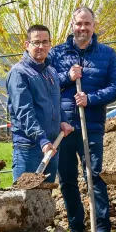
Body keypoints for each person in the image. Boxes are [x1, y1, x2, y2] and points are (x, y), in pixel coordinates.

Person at [47, 6, 116, 232]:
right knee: (68, 179)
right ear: (72, 25)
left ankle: (102, 229)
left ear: (93, 26)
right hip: (64, 127)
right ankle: (77, 229)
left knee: (94, 176)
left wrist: (91, 98)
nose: (83, 28)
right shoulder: (57, 54)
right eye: (79, 24)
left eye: (87, 24)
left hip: (91, 125)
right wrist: (67, 78)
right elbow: (46, 84)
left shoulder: (107, 54)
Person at [7, 25, 73, 181]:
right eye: (36, 42)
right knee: (25, 200)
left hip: (51, 146)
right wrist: (41, 139)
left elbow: (56, 102)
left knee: (44, 201)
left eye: (45, 42)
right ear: (27, 44)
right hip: (29, 148)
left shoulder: (51, 72)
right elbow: (24, 112)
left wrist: (63, 120)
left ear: (50, 44)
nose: (41, 46)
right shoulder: (19, 73)